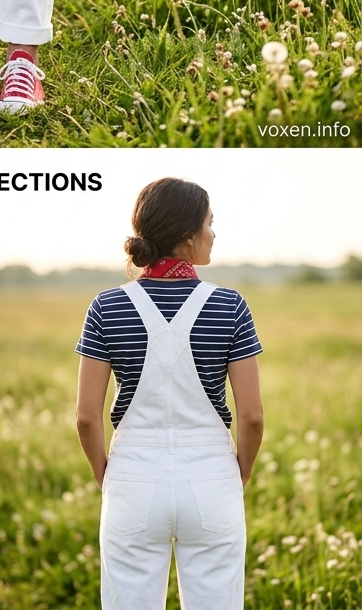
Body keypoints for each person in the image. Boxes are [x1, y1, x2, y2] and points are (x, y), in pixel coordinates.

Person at [75, 177, 264, 610]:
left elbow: (87, 417)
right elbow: (252, 417)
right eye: (210, 224)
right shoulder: (230, 305)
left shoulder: (106, 306)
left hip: (132, 478)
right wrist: (240, 474)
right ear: (187, 236)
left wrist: (107, 474)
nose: (214, 234)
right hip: (212, 479)